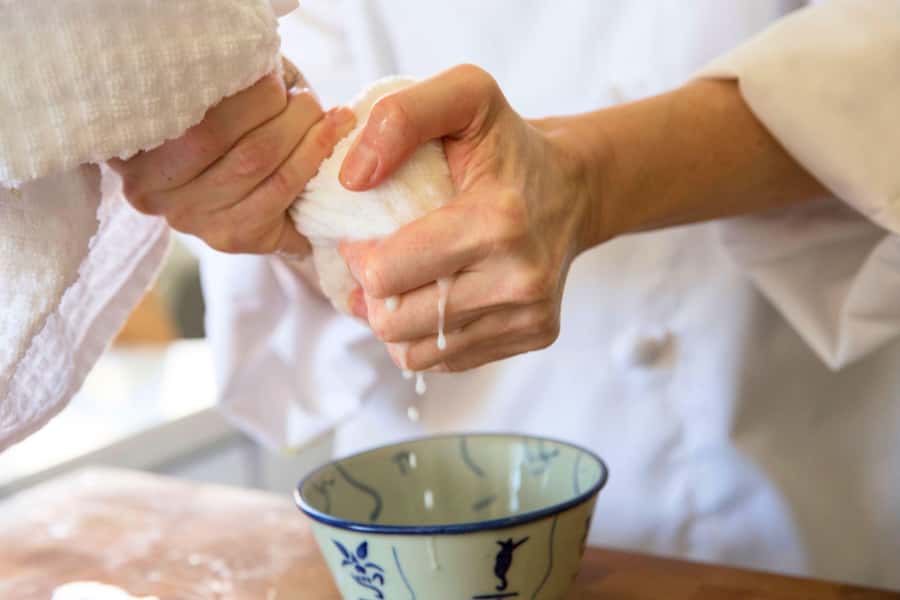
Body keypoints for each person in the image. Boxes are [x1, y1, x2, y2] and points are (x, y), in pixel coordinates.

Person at [110, 0, 900, 589]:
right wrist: (265, 191)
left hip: (805, 511)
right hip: (422, 542)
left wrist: (587, 178)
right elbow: (291, 85)